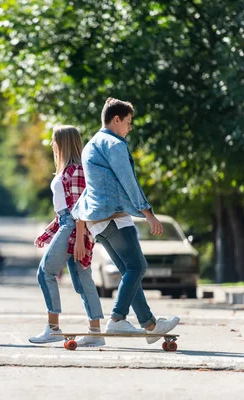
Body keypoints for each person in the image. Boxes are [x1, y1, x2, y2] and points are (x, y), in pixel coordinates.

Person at [71, 98, 179, 343]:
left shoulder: (91, 145)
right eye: (128, 122)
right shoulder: (113, 144)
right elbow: (128, 181)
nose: (129, 128)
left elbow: (90, 189)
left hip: (97, 220)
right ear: (116, 119)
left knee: (129, 271)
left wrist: (80, 218)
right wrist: (147, 212)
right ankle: (117, 319)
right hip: (114, 216)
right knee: (137, 267)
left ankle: (150, 325)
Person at [30, 125, 105, 347]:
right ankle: (95, 332)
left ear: (62, 142)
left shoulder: (76, 170)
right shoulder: (66, 171)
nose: (52, 144)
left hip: (74, 228)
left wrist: (81, 239)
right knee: (83, 281)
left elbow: (80, 209)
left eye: (54, 140)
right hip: (68, 224)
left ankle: (53, 329)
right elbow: (64, 211)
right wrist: (47, 234)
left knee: (46, 273)